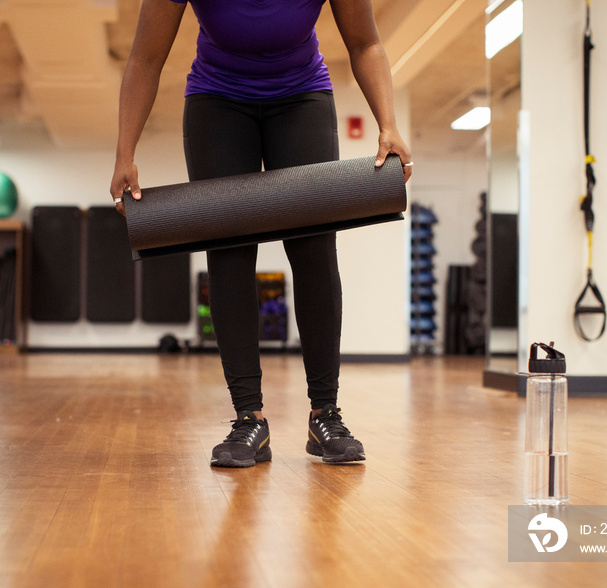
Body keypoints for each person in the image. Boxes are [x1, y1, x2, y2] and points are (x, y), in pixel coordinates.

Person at [110, 0, 412, 468]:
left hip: (302, 98)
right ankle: (248, 418)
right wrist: (124, 153)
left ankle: (325, 413)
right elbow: (146, 58)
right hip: (217, 100)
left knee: (314, 250)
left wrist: (388, 124)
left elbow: (365, 42)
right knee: (228, 255)